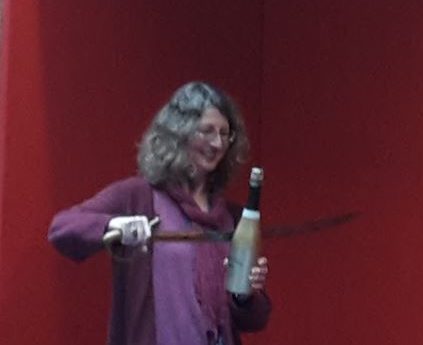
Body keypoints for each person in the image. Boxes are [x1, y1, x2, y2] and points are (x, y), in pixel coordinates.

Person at [49, 81, 272, 345]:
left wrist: (245, 295)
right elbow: (62, 229)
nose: (217, 143)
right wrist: (116, 225)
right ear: (180, 133)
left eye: (225, 134)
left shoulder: (230, 217)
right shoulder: (139, 198)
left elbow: (253, 321)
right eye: (207, 131)